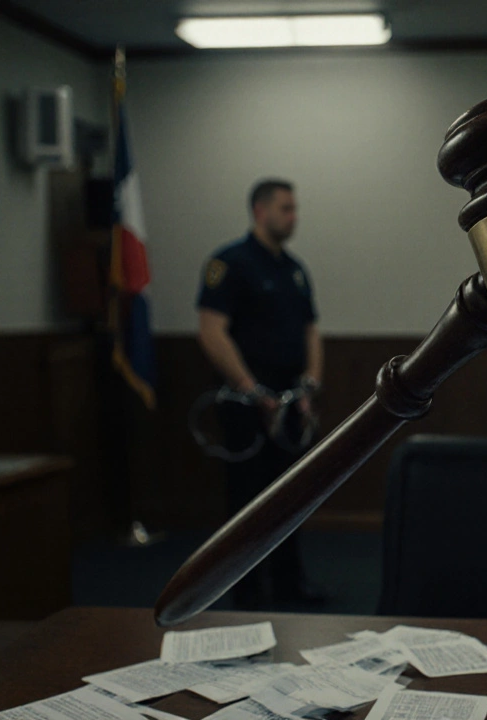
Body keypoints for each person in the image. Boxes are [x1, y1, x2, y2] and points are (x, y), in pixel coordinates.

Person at [196, 178, 325, 609]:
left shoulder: (293, 268)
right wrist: (251, 390)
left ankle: (290, 584)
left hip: (290, 402)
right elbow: (211, 331)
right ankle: (246, 592)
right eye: (286, 208)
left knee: (292, 496)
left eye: (294, 208)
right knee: (247, 501)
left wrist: (309, 386)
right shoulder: (229, 264)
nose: (294, 217)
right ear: (260, 211)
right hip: (248, 404)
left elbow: (310, 330)